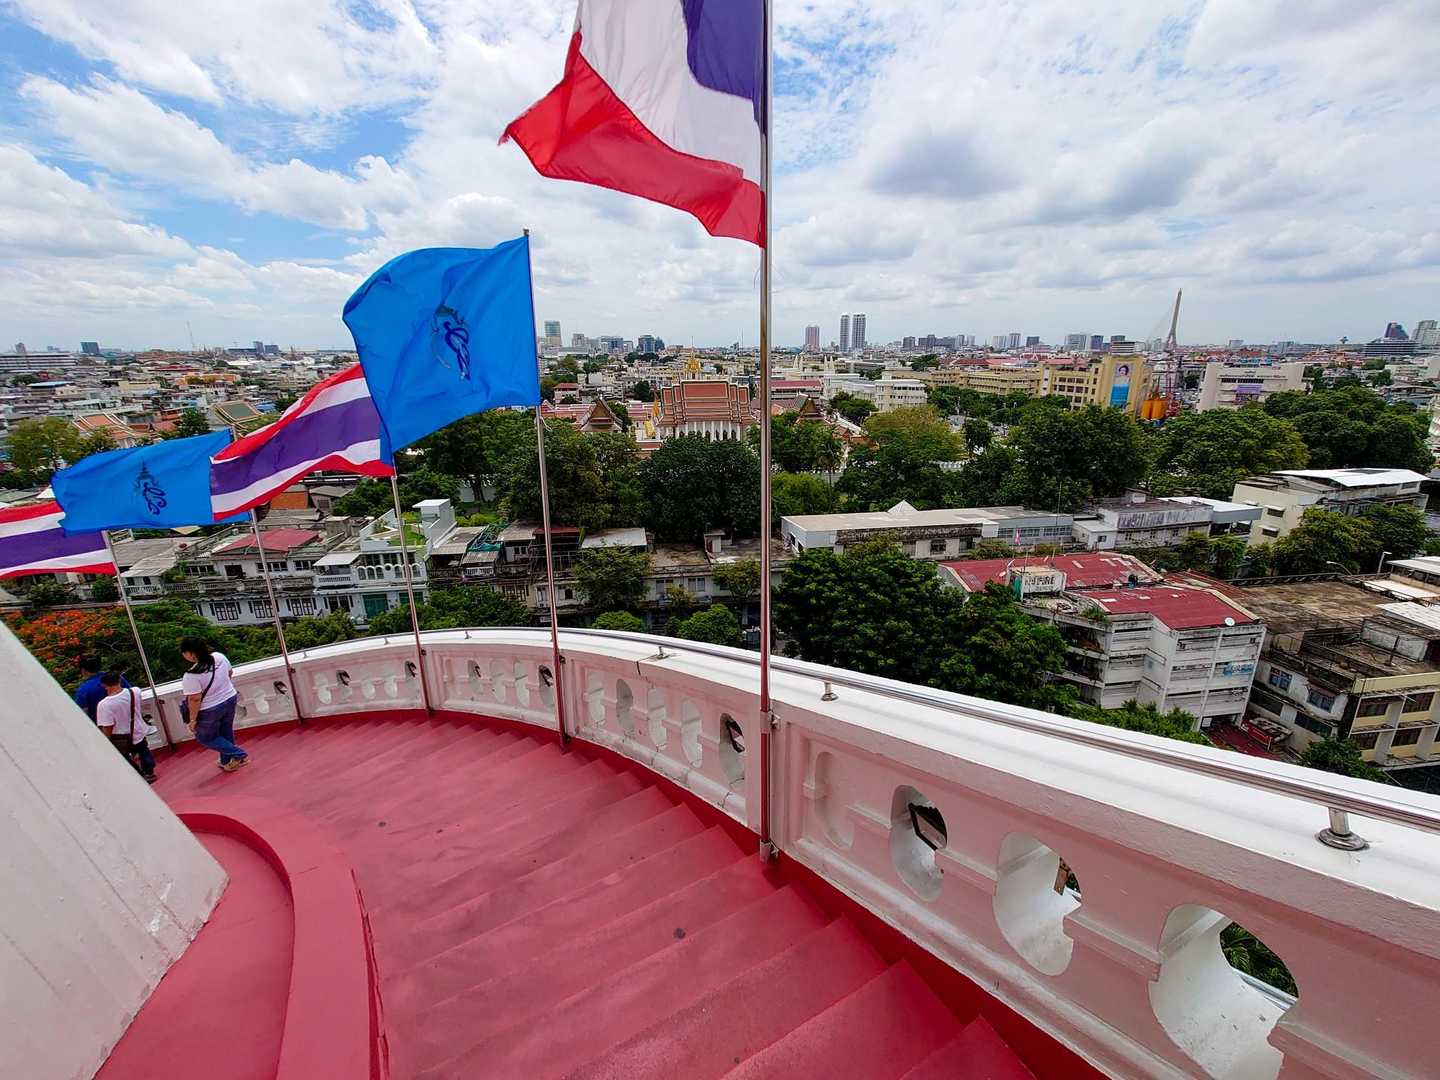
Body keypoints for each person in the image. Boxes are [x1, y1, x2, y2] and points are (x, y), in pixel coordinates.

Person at [179, 636, 249, 772]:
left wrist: (193, 720)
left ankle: (239, 754)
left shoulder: (191, 675)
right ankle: (225, 760)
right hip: (229, 698)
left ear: (191, 654)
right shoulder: (219, 657)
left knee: (206, 737)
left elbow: (194, 699)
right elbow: (230, 672)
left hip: (210, 708)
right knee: (225, 731)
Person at [95, 671, 158, 783]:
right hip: (138, 730)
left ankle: (138, 775)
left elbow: (108, 726)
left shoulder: (104, 705)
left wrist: (106, 739)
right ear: (119, 680)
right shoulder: (135, 692)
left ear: (104, 685)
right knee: (144, 751)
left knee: (125, 757)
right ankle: (149, 773)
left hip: (120, 737)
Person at [74, 656, 130, 724]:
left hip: (101, 728)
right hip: (127, 723)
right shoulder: (116, 678)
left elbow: (81, 715)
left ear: (83, 670)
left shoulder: (83, 690)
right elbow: (131, 695)